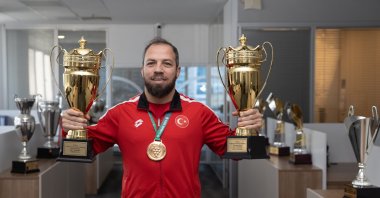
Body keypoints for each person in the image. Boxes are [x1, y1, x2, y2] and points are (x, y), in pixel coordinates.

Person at [61, 37, 263, 198]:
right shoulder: (119, 114)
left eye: (167, 63)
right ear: (142, 70)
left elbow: (233, 150)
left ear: (178, 71)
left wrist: (251, 129)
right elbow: (84, 148)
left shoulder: (199, 113)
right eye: (151, 63)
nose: (158, 69)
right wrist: (69, 127)